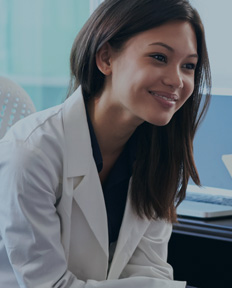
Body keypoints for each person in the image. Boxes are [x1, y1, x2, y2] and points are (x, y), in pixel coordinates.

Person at [0, 0, 210, 287]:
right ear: (106, 58)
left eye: (188, 66)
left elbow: (151, 273)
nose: (177, 80)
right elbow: (48, 285)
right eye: (159, 57)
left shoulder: (158, 156)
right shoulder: (31, 152)